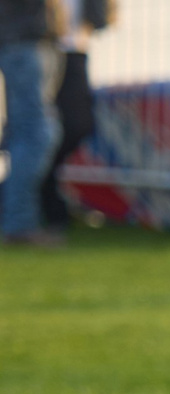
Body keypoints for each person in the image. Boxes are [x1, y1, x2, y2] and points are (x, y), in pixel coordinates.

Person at [35, 0, 102, 234]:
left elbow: (101, 19)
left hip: (76, 51)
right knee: (40, 130)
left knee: (77, 126)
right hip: (44, 49)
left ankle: (45, 193)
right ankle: (45, 200)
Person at [1, 0, 63, 248]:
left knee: (30, 133)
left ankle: (19, 222)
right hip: (25, 43)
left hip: (26, 41)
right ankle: (19, 225)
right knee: (36, 135)